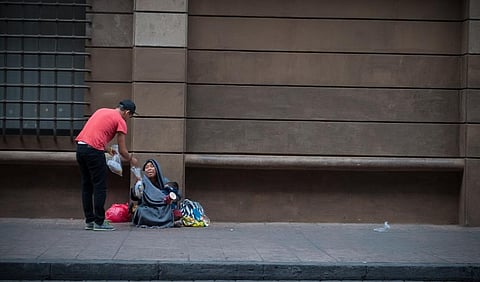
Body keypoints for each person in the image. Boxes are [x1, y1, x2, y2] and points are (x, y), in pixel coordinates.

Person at [76, 99, 139, 231]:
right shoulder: (121, 120)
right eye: (130, 116)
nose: (129, 118)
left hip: (81, 148)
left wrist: (108, 149)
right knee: (100, 186)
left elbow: (95, 132)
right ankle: (99, 222)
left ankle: (90, 221)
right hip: (94, 151)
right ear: (127, 112)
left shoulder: (101, 111)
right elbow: (123, 150)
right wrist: (131, 158)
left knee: (87, 186)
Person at [131, 159, 182, 228]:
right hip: (148, 207)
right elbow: (135, 197)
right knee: (141, 211)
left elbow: (176, 195)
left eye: (152, 166)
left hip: (162, 207)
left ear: (157, 168)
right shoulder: (142, 182)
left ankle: (170, 220)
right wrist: (137, 186)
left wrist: (171, 198)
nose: (149, 169)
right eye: (147, 167)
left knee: (170, 210)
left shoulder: (164, 181)